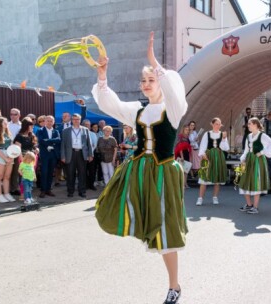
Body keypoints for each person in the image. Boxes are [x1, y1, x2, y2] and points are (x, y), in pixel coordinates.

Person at [92, 32, 187, 304]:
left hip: (164, 172)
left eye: (151, 79)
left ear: (161, 81)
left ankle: (174, 286)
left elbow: (172, 90)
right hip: (138, 171)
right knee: (121, 208)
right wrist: (102, 75)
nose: (146, 84)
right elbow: (110, 103)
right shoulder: (138, 110)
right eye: (143, 80)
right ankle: (139, 225)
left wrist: (154, 60)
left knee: (166, 227)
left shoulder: (174, 109)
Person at [238, 117, 271, 214]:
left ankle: (255, 207)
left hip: (258, 161)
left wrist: (262, 152)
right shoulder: (248, 136)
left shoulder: (262, 136)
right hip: (249, 160)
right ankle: (249, 204)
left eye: (250, 124)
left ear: (255, 124)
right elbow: (246, 150)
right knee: (244, 181)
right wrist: (242, 159)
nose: (248, 125)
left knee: (256, 182)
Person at [196, 117, 229, 206]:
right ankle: (200, 198)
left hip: (218, 157)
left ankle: (215, 197)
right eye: (216, 124)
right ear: (212, 124)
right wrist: (203, 154)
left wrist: (224, 138)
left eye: (219, 124)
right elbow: (203, 145)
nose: (218, 126)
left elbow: (225, 148)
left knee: (217, 179)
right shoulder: (207, 134)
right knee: (204, 178)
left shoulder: (222, 134)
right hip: (208, 156)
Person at [61, 113, 93, 198]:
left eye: (77, 119)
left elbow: (89, 143)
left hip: (82, 154)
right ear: (72, 120)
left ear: (80, 120)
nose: (76, 121)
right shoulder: (66, 131)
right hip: (70, 153)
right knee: (70, 174)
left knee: (82, 174)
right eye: (74, 119)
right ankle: (70, 191)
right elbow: (63, 144)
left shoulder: (85, 130)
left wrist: (90, 154)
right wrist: (63, 156)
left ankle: (82, 191)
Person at [0, 117, 16, 203]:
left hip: (9, 155)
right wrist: (5, 158)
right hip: (0, 155)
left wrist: (11, 156)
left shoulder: (8, 133)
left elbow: (12, 145)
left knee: (7, 176)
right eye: (4, 123)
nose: (6, 124)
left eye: (6, 122)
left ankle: (6, 193)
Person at [14, 118, 39, 200]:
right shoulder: (19, 136)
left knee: (30, 176)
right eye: (31, 125)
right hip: (24, 160)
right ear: (26, 126)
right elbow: (18, 150)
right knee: (23, 178)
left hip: (32, 159)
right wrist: (22, 161)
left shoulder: (31, 135)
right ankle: (22, 195)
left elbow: (34, 146)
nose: (32, 127)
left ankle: (28, 195)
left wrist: (36, 149)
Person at [36, 115, 61, 198]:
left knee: (51, 173)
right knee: (44, 172)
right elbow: (41, 141)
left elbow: (58, 140)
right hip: (44, 155)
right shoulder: (40, 130)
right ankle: (43, 190)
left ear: (53, 122)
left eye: (51, 121)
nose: (49, 122)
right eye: (48, 121)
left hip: (53, 155)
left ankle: (48, 189)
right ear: (45, 121)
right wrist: (51, 142)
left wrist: (48, 141)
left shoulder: (56, 131)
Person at [8, 108, 22, 196]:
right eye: (11, 114)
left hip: (19, 150)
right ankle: (11, 188)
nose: (12, 116)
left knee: (18, 169)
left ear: (19, 115)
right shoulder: (7, 124)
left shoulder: (22, 125)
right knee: (9, 170)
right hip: (8, 149)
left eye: (15, 114)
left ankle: (17, 187)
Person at [83, 119, 99, 190]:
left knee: (92, 171)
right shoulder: (80, 133)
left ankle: (91, 185)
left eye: (88, 125)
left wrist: (90, 154)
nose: (87, 126)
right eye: (85, 125)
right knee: (83, 171)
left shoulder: (93, 134)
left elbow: (94, 145)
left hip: (91, 155)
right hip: (82, 156)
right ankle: (85, 185)